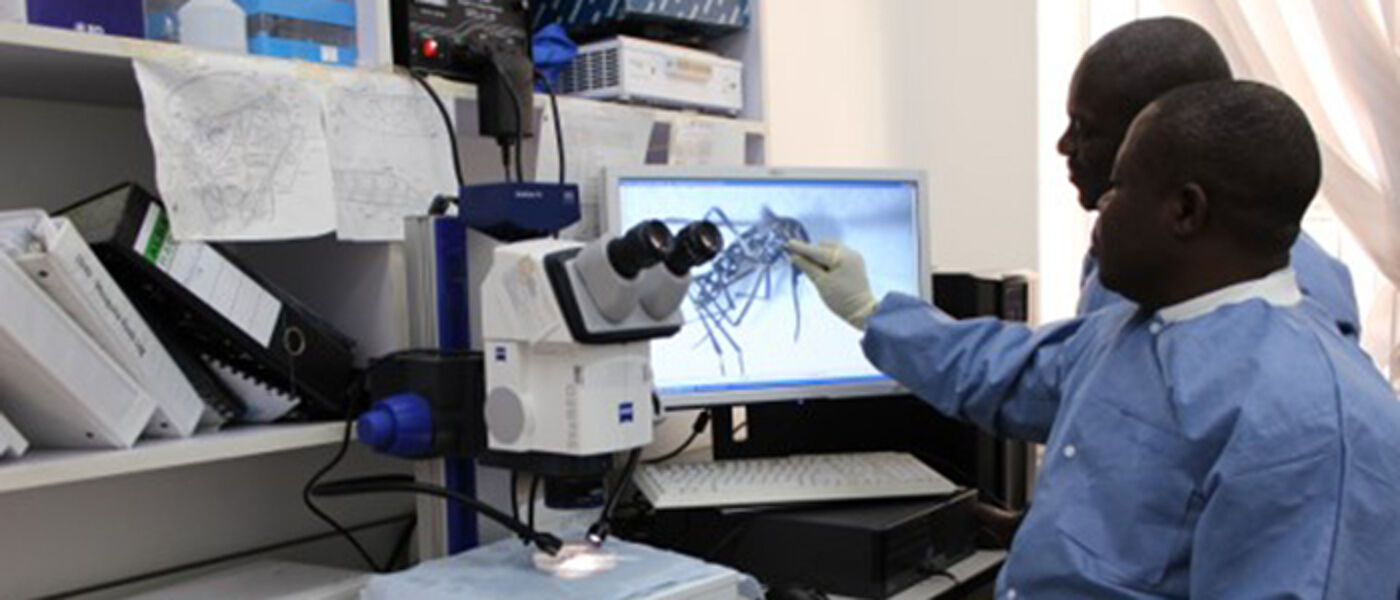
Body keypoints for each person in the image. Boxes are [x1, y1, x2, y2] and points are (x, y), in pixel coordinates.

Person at [788, 81, 1400, 598]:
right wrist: (869, 310)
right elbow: (1001, 370)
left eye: (1118, 189)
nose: (1098, 207)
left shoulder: (1319, 424)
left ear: (1185, 211)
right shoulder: (1135, 327)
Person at [1059, 17, 1360, 337]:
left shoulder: (1299, 300)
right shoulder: (1127, 245)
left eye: (1084, 129)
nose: (1064, 145)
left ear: (1152, 128)